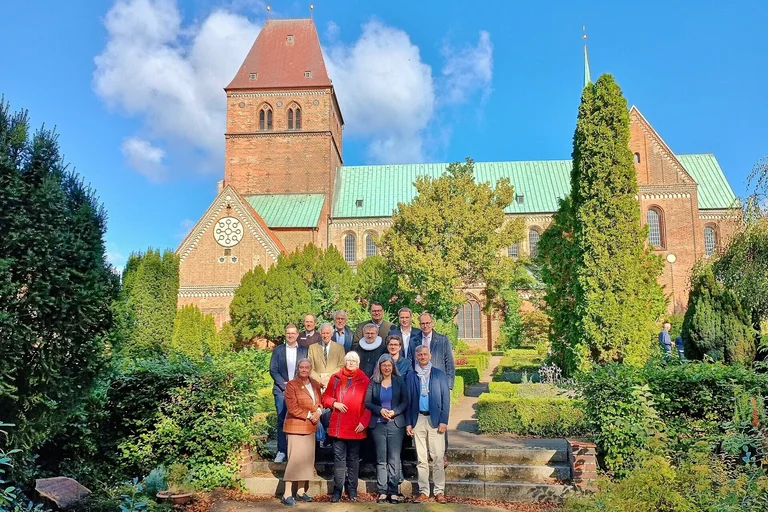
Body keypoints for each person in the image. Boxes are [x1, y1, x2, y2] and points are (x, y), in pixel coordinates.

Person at [322, 351, 371, 503]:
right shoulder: (335, 378)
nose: (350, 363)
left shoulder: (364, 380)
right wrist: (333, 403)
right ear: (345, 362)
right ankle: (337, 490)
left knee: (353, 460)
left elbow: (368, 405)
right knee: (339, 459)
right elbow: (325, 397)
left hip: (356, 426)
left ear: (358, 363)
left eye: (354, 361)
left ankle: (352, 490)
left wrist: (364, 422)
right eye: (348, 360)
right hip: (339, 426)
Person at [406, 345, 450, 504]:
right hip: (418, 419)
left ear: (430, 356)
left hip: (435, 420)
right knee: (421, 458)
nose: (422, 357)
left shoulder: (439, 374)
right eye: (420, 354)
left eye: (425, 354)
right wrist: (409, 423)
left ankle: (439, 491)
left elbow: (446, 399)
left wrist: (444, 420)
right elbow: (408, 401)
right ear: (416, 356)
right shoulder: (412, 376)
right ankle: (424, 491)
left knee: (438, 457)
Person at [365, 354, 408, 504]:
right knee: (381, 459)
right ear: (379, 367)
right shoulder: (373, 382)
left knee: (394, 458)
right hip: (378, 424)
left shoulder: (399, 381)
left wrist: (394, 411)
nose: (387, 368)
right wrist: (379, 410)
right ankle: (382, 491)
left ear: (393, 366)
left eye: (389, 365)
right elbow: (367, 402)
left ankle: (393, 491)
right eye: (384, 365)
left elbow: (405, 401)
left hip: (395, 425)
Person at [281, 358, 323, 507]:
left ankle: (300, 492)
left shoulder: (315, 384)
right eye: (302, 367)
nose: (304, 370)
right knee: (295, 460)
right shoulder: (292, 385)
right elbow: (292, 408)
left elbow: (320, 401)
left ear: (311, 369)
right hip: (296, 427)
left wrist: (318, 411)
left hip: (310, 426)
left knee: (306, 460)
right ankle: (286, 494)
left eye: (307, 367)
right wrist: (309, 415)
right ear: (298, 369)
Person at [269, 325, 308, 463]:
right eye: (288, 333)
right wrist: (284, 385)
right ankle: (281, 450)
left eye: (293, 333)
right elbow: (273, 369)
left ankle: (296, 451)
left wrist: (296, 386)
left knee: (298, 420)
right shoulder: (278, 350)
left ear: (297, 335)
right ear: (285, 335)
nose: (290, 335)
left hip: (299, 391)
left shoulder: (304, 350)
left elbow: (306, 369)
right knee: (282, 419)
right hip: (281, 391)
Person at [418, 312, 455, 390]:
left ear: (432, 323)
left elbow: (449, 363)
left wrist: (449, 385)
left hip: (438, 383)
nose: (425, 326)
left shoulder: (443, 340)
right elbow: (410, 361)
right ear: (420, 325)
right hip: (419, 383)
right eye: (423, 323)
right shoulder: (413, 340)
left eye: (428, 323)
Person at [308, 323, 345, 390]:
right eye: (323, 333)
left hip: (334, 383)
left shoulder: (340, 348)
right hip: (317, 385)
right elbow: (310, 367)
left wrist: (328, 378)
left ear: (332, 334)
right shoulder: (312, 348)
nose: (325, 335)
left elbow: (341, 366)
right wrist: (320, 380)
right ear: (320, 334)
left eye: (328, 333)